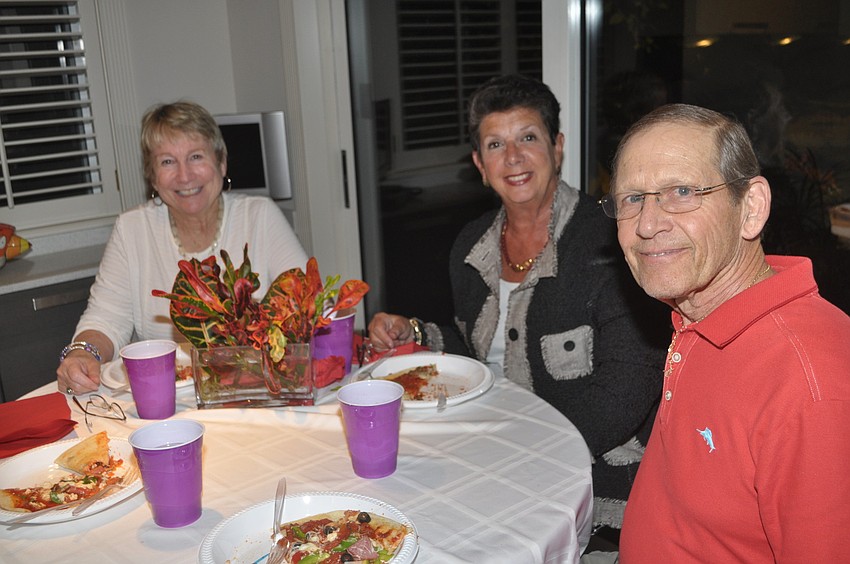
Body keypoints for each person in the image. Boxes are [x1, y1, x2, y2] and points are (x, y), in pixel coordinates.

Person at [368, 75, 668, 531]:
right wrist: (415, 332)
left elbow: (627, 388)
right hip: (493, 460)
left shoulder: (609, 242)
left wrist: (521, 454)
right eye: (495, 144)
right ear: (480, 165)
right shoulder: (471, 246)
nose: (513, 158)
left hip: (591, 487)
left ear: (557, 147)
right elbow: (476, 354)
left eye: (528, 137)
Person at [603, 103, 850, 562]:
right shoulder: (695, 314)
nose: (647, 224)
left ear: (750, 208)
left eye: (681, 191)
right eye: (632, 198)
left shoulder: (813, 385)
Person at [57, 101, 308, 395]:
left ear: (221, 163)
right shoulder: (132, 229)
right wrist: (83, 353)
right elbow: (105, 318)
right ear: (152, 176)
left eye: (196, 157)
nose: (185, 176)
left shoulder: (260, 216)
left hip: (259, 392)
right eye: (167, 162)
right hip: (164, 401)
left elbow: (306, 304)